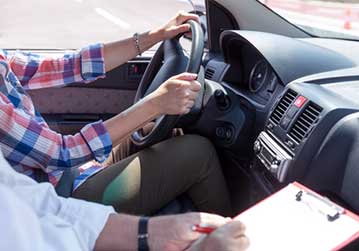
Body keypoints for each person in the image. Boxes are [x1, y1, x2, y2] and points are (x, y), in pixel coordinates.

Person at [0, 12, 231, 216]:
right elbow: (62, 152)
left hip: (65, 175)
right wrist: (156, 104)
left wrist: (155, 35)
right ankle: (233, 239)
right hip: (59, 203)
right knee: (199, 153)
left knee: (160, 130)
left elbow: (69, 65)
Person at [0, 150, 250, 251]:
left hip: (73, 181)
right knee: (197, 151)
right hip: (71, 183)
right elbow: (59, 152)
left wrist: (152, 231)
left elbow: (39, 202)